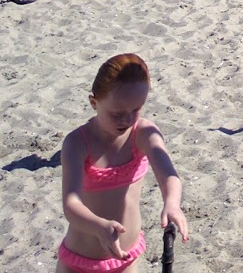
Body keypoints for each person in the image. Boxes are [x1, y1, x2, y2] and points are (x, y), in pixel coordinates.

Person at [57, 54, 187, 273]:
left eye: (136, 109)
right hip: (80, 261)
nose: (127, 120)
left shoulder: (144, 133)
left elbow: (169, 176)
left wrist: (172, 202)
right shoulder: (77, 143)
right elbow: (71, 204)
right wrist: (99, 226)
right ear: (93, 103)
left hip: (126, 259)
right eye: (117, 113)